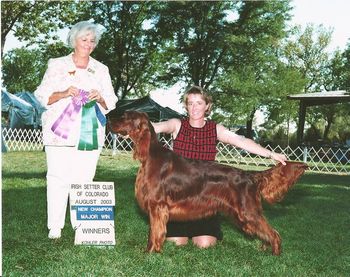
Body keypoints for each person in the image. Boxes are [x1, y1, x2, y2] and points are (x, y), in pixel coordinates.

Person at [152, 85, 287, 248]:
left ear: (207, 106)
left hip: (207, 196)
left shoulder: (215, 129)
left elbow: (242, 141)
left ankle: (268, 238)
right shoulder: (177, 125)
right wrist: (132, 128)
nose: (194, 108)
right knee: (176, 243)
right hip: (179, 199)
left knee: (204, 244)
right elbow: (154, 127)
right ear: (186, 106)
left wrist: (270, 154)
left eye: (199, 103)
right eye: (190, 103)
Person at [34, 21, 118, 239]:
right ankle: (55, 226)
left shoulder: (101, 69)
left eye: (92, 41)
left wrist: (99, 97)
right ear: (74, 40)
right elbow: (42, 95)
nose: (88, 44)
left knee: (84, 178)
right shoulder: (56, 64)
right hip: (58, 132)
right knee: (57, 177)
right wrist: (64, 93)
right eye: (84, 39)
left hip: (90, 133)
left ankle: (85, 228)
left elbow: (111, 100)